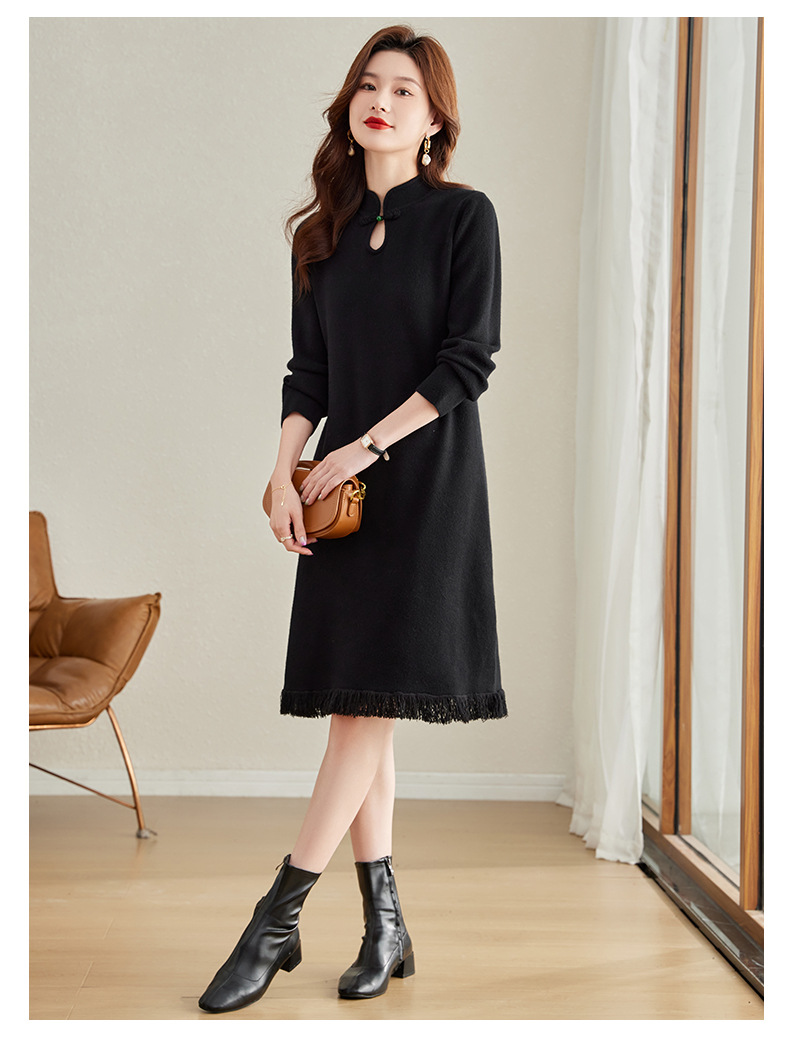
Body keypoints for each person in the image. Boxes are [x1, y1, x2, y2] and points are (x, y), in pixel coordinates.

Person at [198, 24, 506, 1014]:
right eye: (369, 85)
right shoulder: (318, 236)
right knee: (359, 708)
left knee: (366, 715)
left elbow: (467, 363)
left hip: (423, 489)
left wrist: (362, 447)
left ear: (435, 119)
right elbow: (310, 373)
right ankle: (384, 926)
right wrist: (280, 474)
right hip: (339, 499)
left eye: (405, 90)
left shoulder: (463, 218)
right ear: (350, 104)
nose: (382, 101)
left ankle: (275, 919)